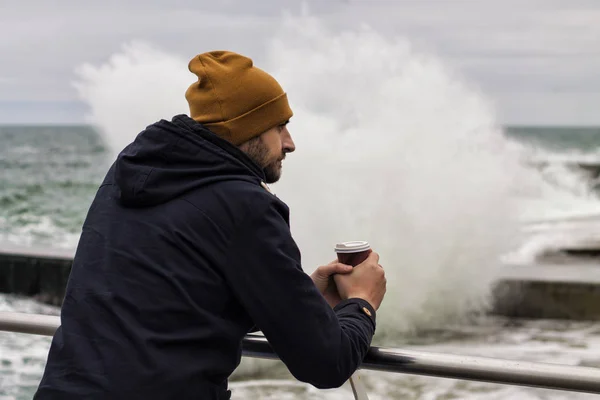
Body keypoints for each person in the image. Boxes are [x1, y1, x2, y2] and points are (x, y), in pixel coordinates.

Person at [34, 50, 387, 399]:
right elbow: (327, 363)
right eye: (279, 127)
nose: (289, 144)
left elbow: (172, 300)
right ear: (246, 130)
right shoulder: (246, 205)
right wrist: (361, 301)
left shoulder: (126, 177)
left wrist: (295, 296)